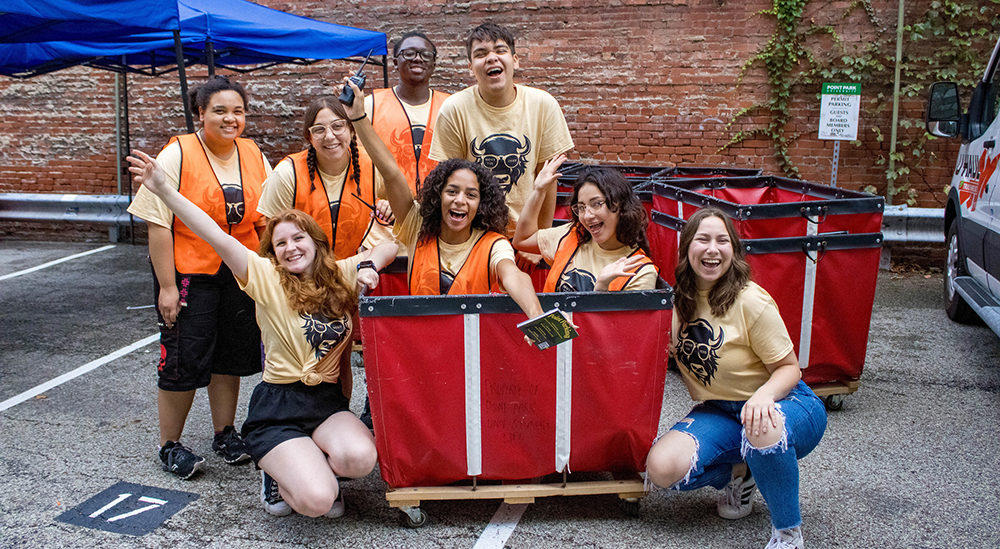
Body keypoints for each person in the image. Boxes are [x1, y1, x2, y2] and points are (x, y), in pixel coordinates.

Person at [128, 148, 398, 518]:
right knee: (320, 503)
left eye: (298, 238)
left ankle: (307, 463)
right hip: (278, 406)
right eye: (280, 243)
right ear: (272, 253)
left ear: (317, 244)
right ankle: (274, 470)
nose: (290, 248)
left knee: (361, 459)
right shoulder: (266, 277)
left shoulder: (341, 273)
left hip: (326, 403)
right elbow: (212, 231)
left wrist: (369, 265)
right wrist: (164, 190)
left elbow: (392, 243)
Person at [644, 208, 827, 549]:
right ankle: (744, 474)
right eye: (703, 239)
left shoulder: (750, 301)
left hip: (787, 403)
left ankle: (788, 533)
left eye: (722, 240)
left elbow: (790, 369)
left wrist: (763, 397)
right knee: (662, 468)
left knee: (761, 426)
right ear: (686, 249)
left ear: (733, 250)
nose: (712, 249)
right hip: (720, 409)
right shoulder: (676, 302)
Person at [126, 75, 270, 480]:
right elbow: (158, 223)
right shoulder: (178, 154)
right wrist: (167, 287)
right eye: (220, 111)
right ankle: (169, 444)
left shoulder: (253, 152)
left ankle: (225, 433)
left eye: (238, 111)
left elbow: (268, 217)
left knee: (229, 356)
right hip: (190, 274)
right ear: (200, 114)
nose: (231, 119)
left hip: (238, 274)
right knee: (184, 360)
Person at [342, 78, 544, 319]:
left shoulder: (493, 244)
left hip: (471, 348)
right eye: (452, 191)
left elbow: (513, 275)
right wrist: (358, 118)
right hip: (424, 346)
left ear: (481, 204)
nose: (460, 200)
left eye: (471, 195)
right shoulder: (417, 226)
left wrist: (536, 314)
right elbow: (391, 172)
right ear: (438, 196)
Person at [427, 22, 574, 238]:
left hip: (526, 233)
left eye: (500, 50)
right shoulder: (455, 109)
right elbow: (450, 182)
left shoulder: (543, 105)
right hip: (474, 235)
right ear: (470, 67)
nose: (491, 58)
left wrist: (538, 240)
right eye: (481, 53)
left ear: (515, 60)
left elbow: (547, 180)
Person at [257, 97, 382, 259]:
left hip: (356, 269)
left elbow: (401, 210)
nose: (329, 136)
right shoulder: (287, 174)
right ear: (309, 137)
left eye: (338, 126)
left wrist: (387, 206)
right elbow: (273, 241)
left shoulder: (372, 165)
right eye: (319, 129)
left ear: (352, 131)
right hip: (302, 273)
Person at [362, 31, 450, 252]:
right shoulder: (369, 106)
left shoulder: (451, 106)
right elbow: (357, 162)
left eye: (425, 54)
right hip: (383, 229)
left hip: (438, 224)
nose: (417, 58)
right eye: (409, 53)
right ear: (395, 62)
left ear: (434, 63)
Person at [513, 161, 658, 292]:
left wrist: (601, 288)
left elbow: (620, 323)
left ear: (620, 205)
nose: (587, 216)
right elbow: (522, 240)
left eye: (596, 204)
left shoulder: (641, 272)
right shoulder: (570, 235)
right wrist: (538, 191)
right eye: (581, 207)